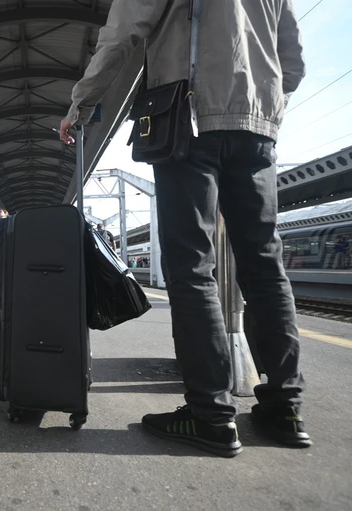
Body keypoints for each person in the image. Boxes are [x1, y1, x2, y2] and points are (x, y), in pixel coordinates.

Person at [60, 0, 310, 457]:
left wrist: (81, 103)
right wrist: (262, 104)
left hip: (188, 123)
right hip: (257, 129)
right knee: (264, 266)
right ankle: (285, 410)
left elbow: (122, 33)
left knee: (192, 269)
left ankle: (211, 415)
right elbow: (292, 62)